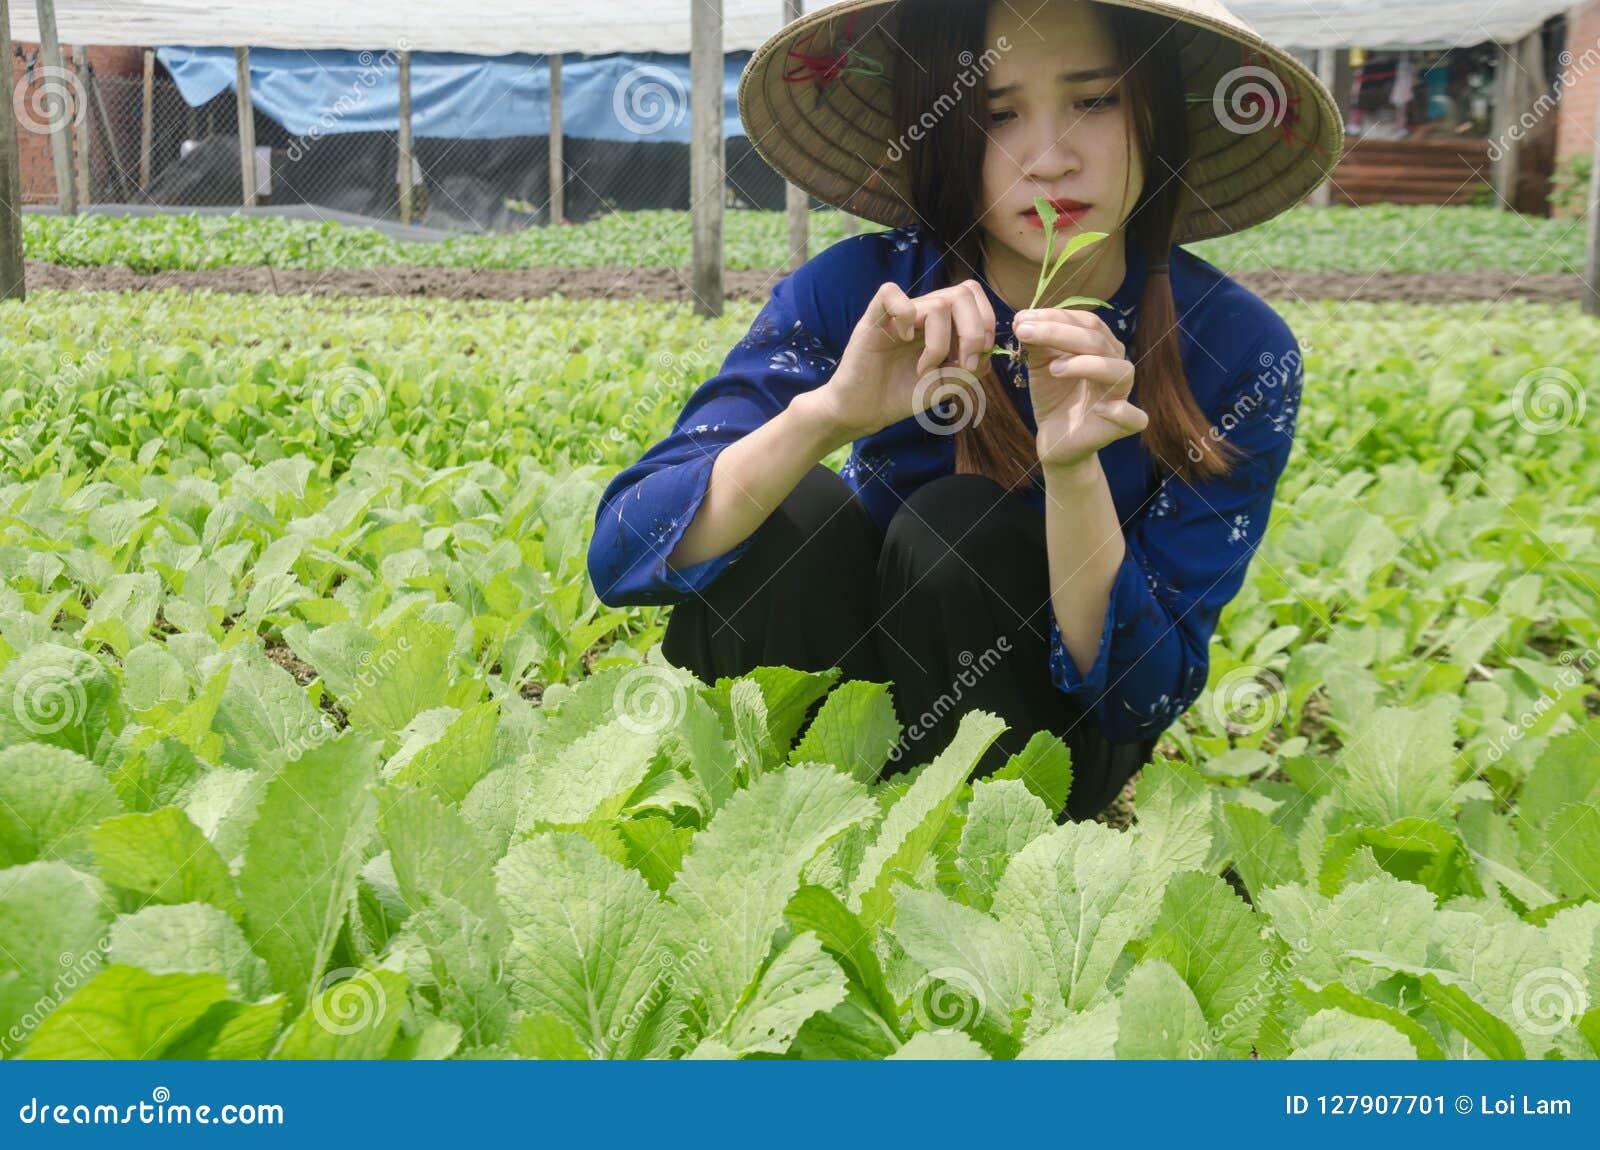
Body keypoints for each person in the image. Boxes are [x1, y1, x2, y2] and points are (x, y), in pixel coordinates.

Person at [587, 0, 1337, 821]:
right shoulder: (856, 292)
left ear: (1155, 111)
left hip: (1043, 754)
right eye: (996, 114)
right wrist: (829, 415)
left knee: (959, 527)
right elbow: (624, 552)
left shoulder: (1234, 348)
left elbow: (1138, 698)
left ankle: (969, 838)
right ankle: (781, 811)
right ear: (942, 131)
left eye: (1094, 100)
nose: (1048, 160)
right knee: (789, 503)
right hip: (847, 717)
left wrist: (1076, 475)